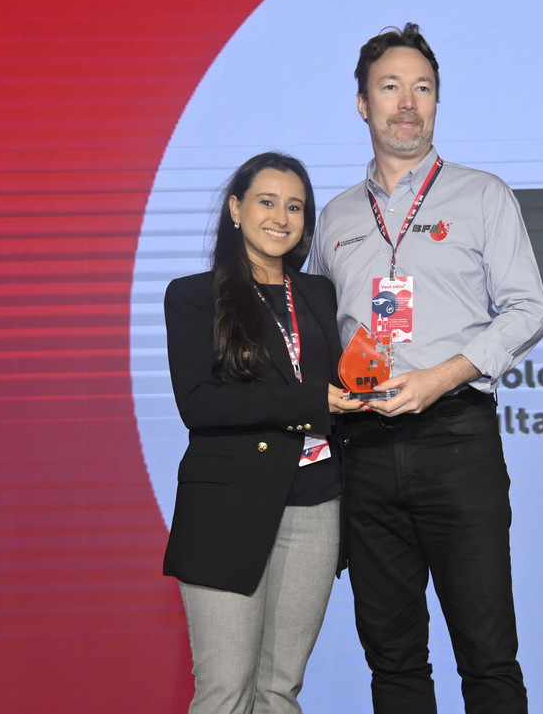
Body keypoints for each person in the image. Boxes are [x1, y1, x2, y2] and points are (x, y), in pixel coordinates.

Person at [310, 24, 543, 714]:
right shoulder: (334, 217)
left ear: (438, 102)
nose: (408, 103)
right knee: (393, 662)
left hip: (456, 441)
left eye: (423, 88)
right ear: (363, 103)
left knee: (488, 656)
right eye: (390, 87)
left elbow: (529, 309)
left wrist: (441, 376)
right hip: (363, 452)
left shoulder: (481, 195)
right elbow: (320, 333)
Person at [162, 151, 364, 714]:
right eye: (266, 202)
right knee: (226, 691)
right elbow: (200, 405)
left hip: (317, 506)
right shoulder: (193, 295)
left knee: (280, 690)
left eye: (295, 207)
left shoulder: (320, 293)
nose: (281, 217)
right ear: (235, 209)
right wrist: (309, 401)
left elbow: (342, 377)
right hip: (228, 512)